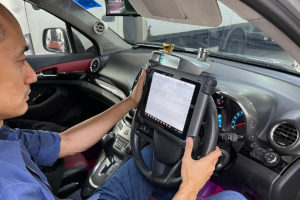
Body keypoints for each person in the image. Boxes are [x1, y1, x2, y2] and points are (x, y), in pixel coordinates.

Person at [0, 3, 246, 200]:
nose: (33, 75)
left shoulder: (5, 137)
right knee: (233, 197)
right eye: (21, 60)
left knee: (150, 156)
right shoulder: (10, 190)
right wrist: (189, 190)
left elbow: (67, 141)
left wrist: (130, 102)